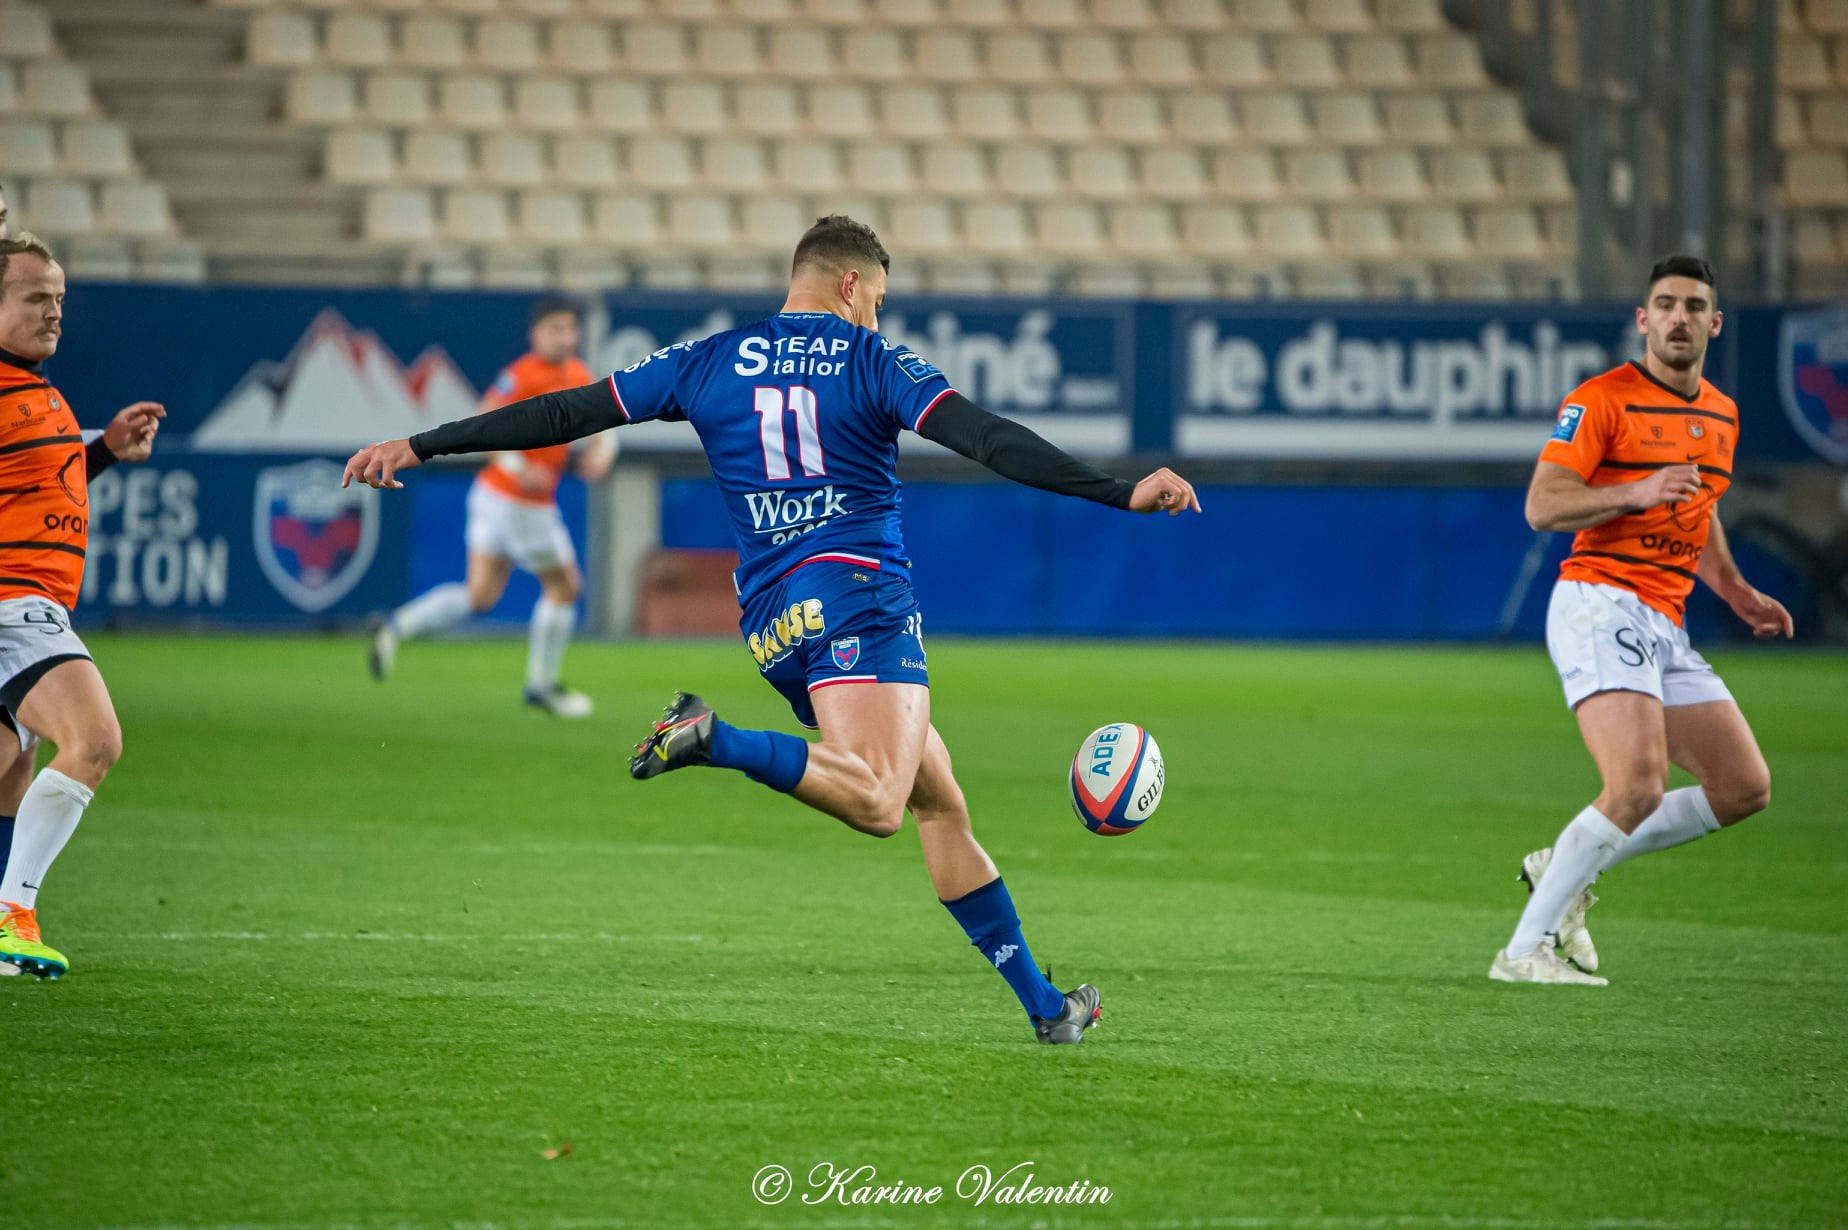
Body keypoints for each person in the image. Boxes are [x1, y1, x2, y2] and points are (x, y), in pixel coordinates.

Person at [345, 216, 1201, 1043]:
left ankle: (1049, 1008)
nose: (877, 316)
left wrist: (421, 444)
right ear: (853, 284)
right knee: (876, 801)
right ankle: (710, 739)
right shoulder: (873, 356)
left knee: (938, 800)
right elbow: (985, 438)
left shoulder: (707, 358)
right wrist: (1115, 490)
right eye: (877, 301)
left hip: (770, 624)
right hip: (861, 595)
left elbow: (565, 413)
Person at [1491, 254, 1792, 987]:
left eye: (1694, 306)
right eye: (1666, 304)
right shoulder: (1601, 401)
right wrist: (1636, 490)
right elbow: (1542, 505)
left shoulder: (1721, 413)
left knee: (1743, 786)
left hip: (1666, 616)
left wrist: (1733, 587)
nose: (1679, 317)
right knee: (1636, 784)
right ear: (1643, 319)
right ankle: (1525, 951)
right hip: (1600, 600)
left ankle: (1563, 865)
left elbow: (1702, 505)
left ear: (1714, 323)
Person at [0, 233, 164, 979]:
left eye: (59, 299)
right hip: (11, 603)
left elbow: (32, 481)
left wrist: (102, 449)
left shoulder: (34, 389)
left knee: (8, 772)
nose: (53, 313)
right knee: (93, 740)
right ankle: (15, 914)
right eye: (36, 297)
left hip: (34, 603)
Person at [368, 298, 612, 718]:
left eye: (569, 328)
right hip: (518, 503)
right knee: (566, 587)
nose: (564, 337)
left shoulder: (577, 373)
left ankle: (396, 626)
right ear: (536, 334)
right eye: (554, 329)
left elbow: (606, 425)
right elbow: (484, 423)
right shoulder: (521, 375)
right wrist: (519, 467)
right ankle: (541, 686)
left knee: (479, 595)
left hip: (493, 498)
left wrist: (603, 453)